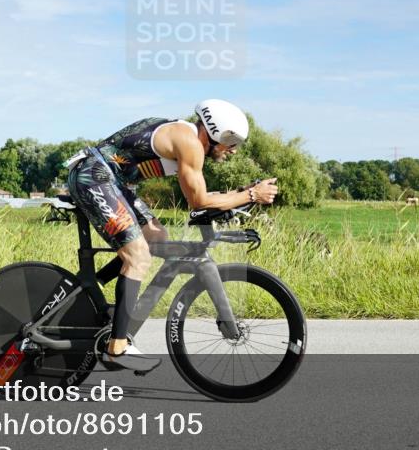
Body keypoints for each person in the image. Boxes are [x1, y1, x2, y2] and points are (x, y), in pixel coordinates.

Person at [65, 99, 278, 373]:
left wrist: (242, 194)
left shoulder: (186, 138)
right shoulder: (189, 143)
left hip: (111, 180)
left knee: (157, 239)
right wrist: (251, 195)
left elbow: (202, 197)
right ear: (216, 133)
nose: (233, 151)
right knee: (138, 256)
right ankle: (116, 347)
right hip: (94, 177)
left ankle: (88, 293)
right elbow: (199, 202)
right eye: (231, 142)